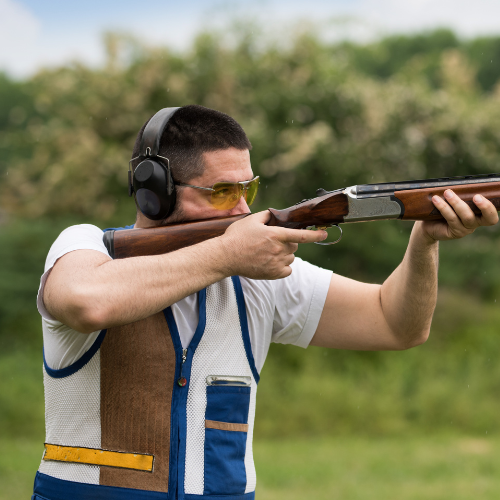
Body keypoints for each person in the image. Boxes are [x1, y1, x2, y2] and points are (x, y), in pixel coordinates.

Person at [32, 105, 498, 500]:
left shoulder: (259, 276)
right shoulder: (88, 247)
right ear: (155, 193)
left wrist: (424, 242)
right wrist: (228, 252)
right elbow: (86, 302)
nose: (242, 210)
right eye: (221, 193)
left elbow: (396, 325)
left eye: (247, 189)